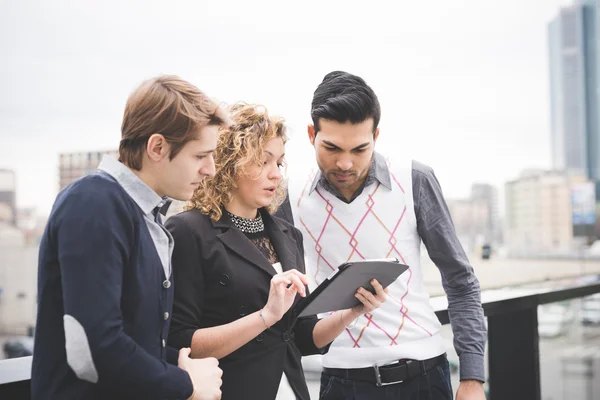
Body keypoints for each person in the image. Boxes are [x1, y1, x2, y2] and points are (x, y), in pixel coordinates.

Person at [276, 71, 487, 400]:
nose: (345, 162)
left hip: (425, 375)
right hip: (341, 380)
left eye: (360, 149)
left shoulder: (415, 179)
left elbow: (460, 278)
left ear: (376, 135)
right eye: (331, 147)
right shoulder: (289, 195)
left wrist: (473, 377)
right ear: (310, 134)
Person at [165, 103, 388, 400]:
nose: (275, 175)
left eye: (279, 163)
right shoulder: (187, 231)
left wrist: (351, 312)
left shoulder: (287, 234)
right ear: (229, 162)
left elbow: (302, 337)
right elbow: (181, 342)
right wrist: (265, 316)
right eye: (262, 161)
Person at [32, 75, 226, 400]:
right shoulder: (93, 203)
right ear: (157, 147)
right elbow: (94, 350)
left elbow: (137, 339)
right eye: (200, 156)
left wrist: (181, 365)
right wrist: (187, 384)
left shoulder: (141, 213)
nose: (211, 169)